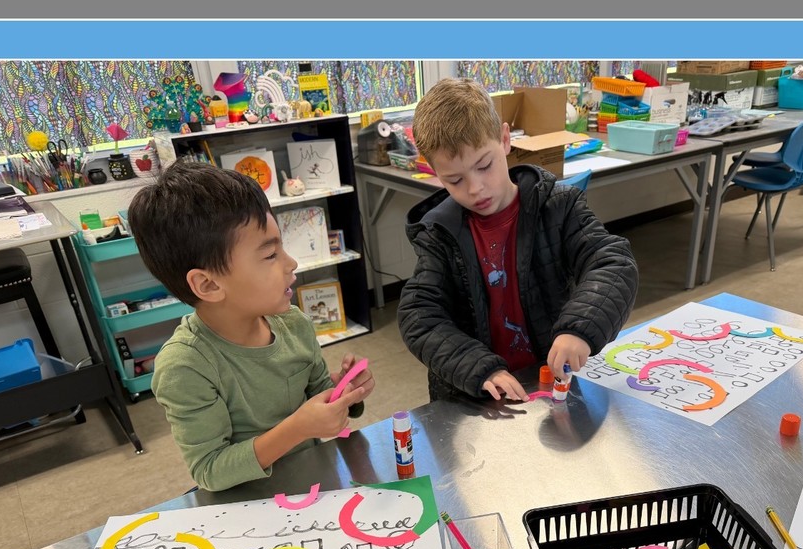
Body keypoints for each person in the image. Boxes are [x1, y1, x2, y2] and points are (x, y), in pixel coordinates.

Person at [127, 161, 375, 491]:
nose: (291, 263)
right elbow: (209, 470)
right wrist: (298, 429)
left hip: (313, 486)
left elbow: (319, 398)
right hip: (247, 508)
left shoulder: (294, 324)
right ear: (208, 285)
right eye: (270, 255)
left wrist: (345, 391)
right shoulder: (185, 367)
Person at [397, 78, 638, 402]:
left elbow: (613, 263)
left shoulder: (558, 207)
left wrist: (579, 327)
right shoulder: (439, 234)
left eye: (485, 166)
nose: (475, 188)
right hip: (478, 396)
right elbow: (419, 315)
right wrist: (478, 367)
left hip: (550, 383)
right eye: (454, 180)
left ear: (505, 139)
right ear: (436, 173)